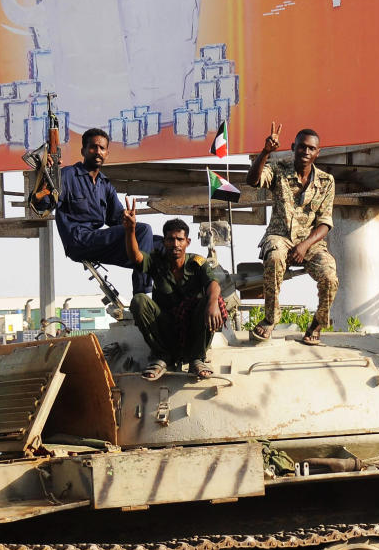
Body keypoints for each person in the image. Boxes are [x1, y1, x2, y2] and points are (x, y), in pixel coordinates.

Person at [245, 122, 338, 346]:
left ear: (318, 152)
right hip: (280, 235)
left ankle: (317, 323)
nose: (306, 152)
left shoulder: (326, 181)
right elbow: (253, 180)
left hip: (311, 241)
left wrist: (305, 245)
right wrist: (266, 152)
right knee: (275, 257)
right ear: (293, 146)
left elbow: (325, 223)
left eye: (311, 149)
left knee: (329, 276)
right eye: (302, 147)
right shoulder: (279, 169)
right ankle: (270, 318)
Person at [54, 128, 159, 296]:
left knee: (161, 244)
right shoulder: (67, 176)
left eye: (102, 148)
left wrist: (128, 220)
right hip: (79, 240)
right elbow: (43, 204)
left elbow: (117, 219)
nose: (98, 152)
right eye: (93, 147)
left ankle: (169, 299)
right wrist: (47, 181)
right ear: (83, 151)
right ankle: (142, 295)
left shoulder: (105, 185)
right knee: (143, 230)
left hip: (98, 240)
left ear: (107, 153)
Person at [123, 213, 226, 381]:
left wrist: (213, 302)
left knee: (211, 299)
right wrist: (130, 231)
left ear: (187, 242)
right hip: (166, 327)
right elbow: (136, 257)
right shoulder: (157, 261)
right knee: (139, 300)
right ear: (164, 242)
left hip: (194, 328)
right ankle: (163, 357)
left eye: (180, 239)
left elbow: (212, 284)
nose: (175, 244)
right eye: (170, 239)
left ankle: (197, 359)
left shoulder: (196, 263)